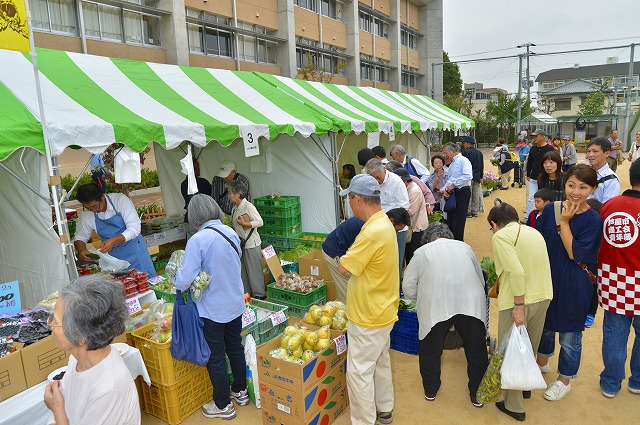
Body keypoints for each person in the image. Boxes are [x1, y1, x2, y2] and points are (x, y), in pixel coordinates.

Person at [173, 194, 249, 420]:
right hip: (235, 303)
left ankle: (223, 405)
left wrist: (176, 280)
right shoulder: (230, 232)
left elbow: (185, 279)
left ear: (194, 216)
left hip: (213, 310)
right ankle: (240, 391)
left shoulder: (198, 240)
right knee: (235, 347)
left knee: (216, 356)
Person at [536, 165, 603, 401]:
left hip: (575, 282)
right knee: (545, 322)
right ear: (564, 184)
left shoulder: (594, 220)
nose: (576, 192)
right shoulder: (551, 209)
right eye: (571, 185)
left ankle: (564, 379)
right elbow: (540, 244)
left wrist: (564, 222)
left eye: (583, 187)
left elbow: (575, 253)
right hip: (549, 276)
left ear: (593, 189)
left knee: (570, 333)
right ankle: (542, 361)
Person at [402, 223, 488, 408]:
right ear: (449, 236)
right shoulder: (465, 247)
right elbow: (480, 279)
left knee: (430, 348)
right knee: (476, 349)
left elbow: (408, 286)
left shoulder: (422, 252)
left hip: (436, 304)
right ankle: (477, 393)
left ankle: (430, 390)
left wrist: (421, 299)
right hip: (470, 302)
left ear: (427, 239)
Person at [337, 174, 399, 425]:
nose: (350, 205)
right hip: (384, 309)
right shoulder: (384, 222)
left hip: (368, 314)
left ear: (358, 199)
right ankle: (384, 408)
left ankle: (364, 421)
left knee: (359, 371)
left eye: (350, 199)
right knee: (380, 361)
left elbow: (344, 267)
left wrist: (348, 254)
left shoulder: (370, 231)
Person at [488, 203, 553, 421]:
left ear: (495, 224)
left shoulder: (500, 237)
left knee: (512, 352)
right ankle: (525, 386)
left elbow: (516, 272)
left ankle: (514, 406)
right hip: (543, 295)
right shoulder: (534, 232)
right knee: (529, 346)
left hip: (520, 301)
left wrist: (517, 306)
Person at [44, 275, 139, 425]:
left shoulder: (107, 389)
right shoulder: (76, 360)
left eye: (55, 320)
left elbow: (61, 413)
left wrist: (57, 409)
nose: (50, 325)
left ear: (81, 337)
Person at [597, 158, 640, 398]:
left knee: (614, 333)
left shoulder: (611, 205)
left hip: (615, 280)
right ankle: (638, 381)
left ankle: (611, 383)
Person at [73, 183, 156, 277]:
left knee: (146, 282)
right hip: (112, 258)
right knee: (121, 287)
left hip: (135, 252)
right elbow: (80, 237)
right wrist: (81, 249)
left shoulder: (120, 200)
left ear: (102, 197)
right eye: (87, 208)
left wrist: (113, 241)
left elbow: (134, 228)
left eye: (94, 206)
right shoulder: (86, 214)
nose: (92, 210)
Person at [366, 158, 409, 280]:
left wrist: (391, 221)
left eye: (378, 177)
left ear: (383, 170)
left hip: (396, 228)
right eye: (373, 178)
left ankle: (396, 291)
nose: (377, 180)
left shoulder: (396, 182)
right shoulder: (372, 183)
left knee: (396, 262)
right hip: (379, 228)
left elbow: (404, 206)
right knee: (382, 261)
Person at [227, 179, 265, 300]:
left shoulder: (248, 206)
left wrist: (247, 224)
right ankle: (247, 295)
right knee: (243, 272)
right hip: (241, 245)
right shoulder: (234, 208)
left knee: (254, 271)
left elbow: (260, 222)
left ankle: (260, 295)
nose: (228, 196)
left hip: (251, 244)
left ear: (238, 194)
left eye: (230, 193)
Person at [322, 216, 365, 303]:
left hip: (341, 249)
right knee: (346, 288)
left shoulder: (372, 221)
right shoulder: (367, 228)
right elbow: (351, 254)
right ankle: (345, 311)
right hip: (333, 253)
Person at [394, 168, 428, 263]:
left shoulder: (414, 191)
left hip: (416, 227)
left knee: (412, 256)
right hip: (411, 227)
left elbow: (410, 211)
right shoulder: (407, 188)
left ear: (404, 180)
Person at [441, 143, 473, 241]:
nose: (444, 156)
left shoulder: (463, 160)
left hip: (462, 192)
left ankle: (458, 242)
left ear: (453, 151)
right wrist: (445, 190)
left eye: (445, 153)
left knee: (458, 221)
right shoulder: (453, 163)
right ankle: (452, 241)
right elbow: (451, 178)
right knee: (451, 219)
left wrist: (453, 185)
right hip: (453, 192)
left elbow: (468, 176)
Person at [525, 130, 554, 219]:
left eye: (536, 136)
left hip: (545, 178)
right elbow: (529, 161)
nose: (534, 138)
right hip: (534, 177)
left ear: (542, 136)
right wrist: (528, 173)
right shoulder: (533, 148)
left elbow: (553, 162)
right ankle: (528, 217)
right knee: (531, 198)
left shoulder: (549, 148)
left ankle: (545, 215)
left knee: (545, 198)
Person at [181, 158, 212, 240]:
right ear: (193, 168)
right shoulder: (203, 183)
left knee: (192, 246)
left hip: (188, 219)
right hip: (200, 220)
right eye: (198, 166)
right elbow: (212, 198)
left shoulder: (183, 184)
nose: (199, 169)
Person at [586, 137, 620, 205]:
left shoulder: (611, 180)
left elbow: (606, 207)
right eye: (588, 151)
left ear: (607, 153)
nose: (590, 155)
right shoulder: (585, 172)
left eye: (595, 151)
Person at [461, 136, 484, 218]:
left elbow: (464, 166)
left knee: (468, 194)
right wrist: (481, 176)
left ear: (468, 143)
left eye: (464, 143)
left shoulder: (465, 153)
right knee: (475, 194)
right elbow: (481, 165)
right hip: (477, 176)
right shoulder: (479, 153)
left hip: (469, 176)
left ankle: (468, 211)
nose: (463, 145)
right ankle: (475, 211)